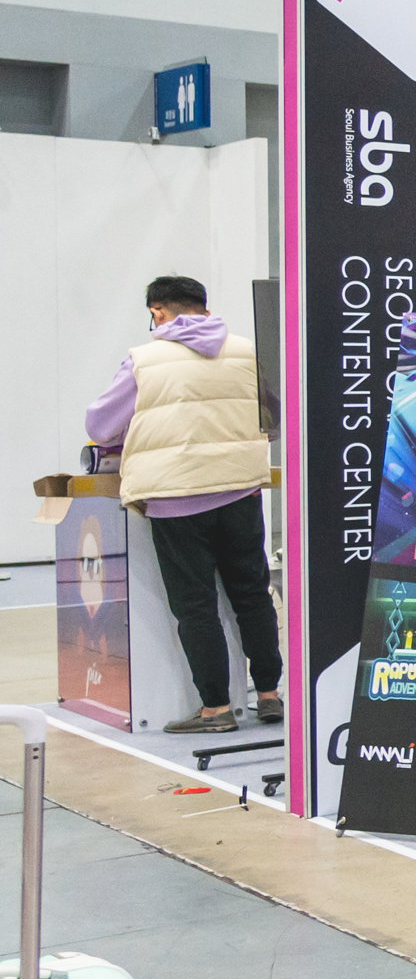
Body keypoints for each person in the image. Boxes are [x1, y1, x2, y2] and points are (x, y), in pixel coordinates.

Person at [83, 275, 281, 735]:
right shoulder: (246, 351)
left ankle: (215, 708)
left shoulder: (144, 360)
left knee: (196, 606)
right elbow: (273, 417)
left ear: (157, 312)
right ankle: (270, 695)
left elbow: (100, 425)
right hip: (240, 491)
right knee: (253, 595)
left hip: (177, 499)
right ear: (204, 309)